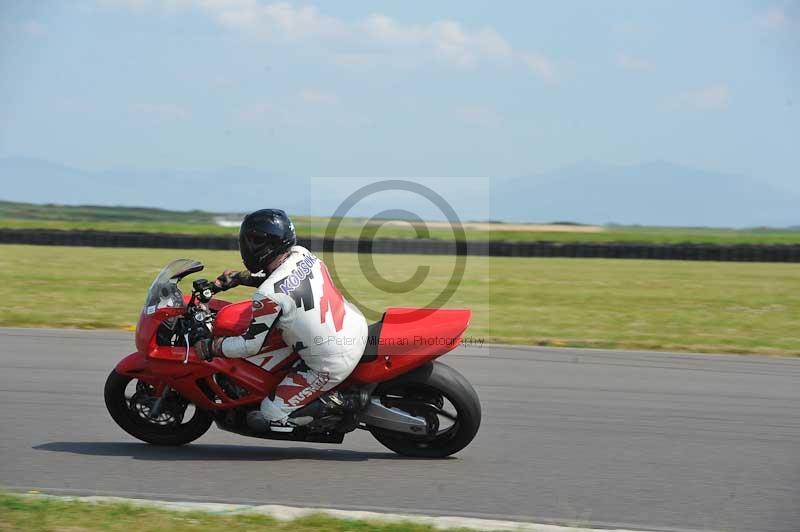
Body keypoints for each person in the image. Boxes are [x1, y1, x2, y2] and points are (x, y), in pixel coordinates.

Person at [192, 209, 368, 432]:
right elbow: (280, 280)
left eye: (252, 241)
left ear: (265, 245)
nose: (246, 246)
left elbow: (249, 345)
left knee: (271, 413)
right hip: (351, 325)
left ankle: (340, 404)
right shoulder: (302, 255)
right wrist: (236, 278)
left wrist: (210, 347)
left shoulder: (268, 296)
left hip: (332, 359)